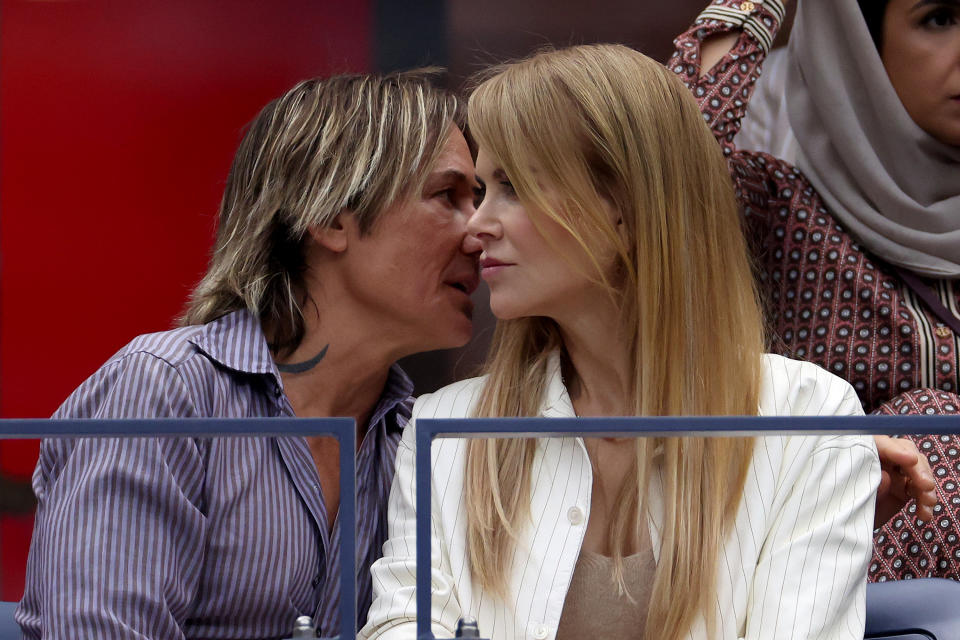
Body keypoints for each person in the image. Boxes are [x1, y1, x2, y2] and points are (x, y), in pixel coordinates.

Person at [361, 44, 880, 640]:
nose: (477, 226)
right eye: (482, 188)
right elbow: (397, 626)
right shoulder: (443, 426)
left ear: (627, 208)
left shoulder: (814, 419)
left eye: (514, 186)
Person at [16, 71, 481, 639]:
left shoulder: (423, 439)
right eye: (448, 196)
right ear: (332, 215)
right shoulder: (165, 389)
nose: (480, 231)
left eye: (479, 200)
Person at [669, 0, 957, 580]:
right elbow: (659, 162)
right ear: (862, 44)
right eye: (939, 17)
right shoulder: (780, 211)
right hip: (816, 584)